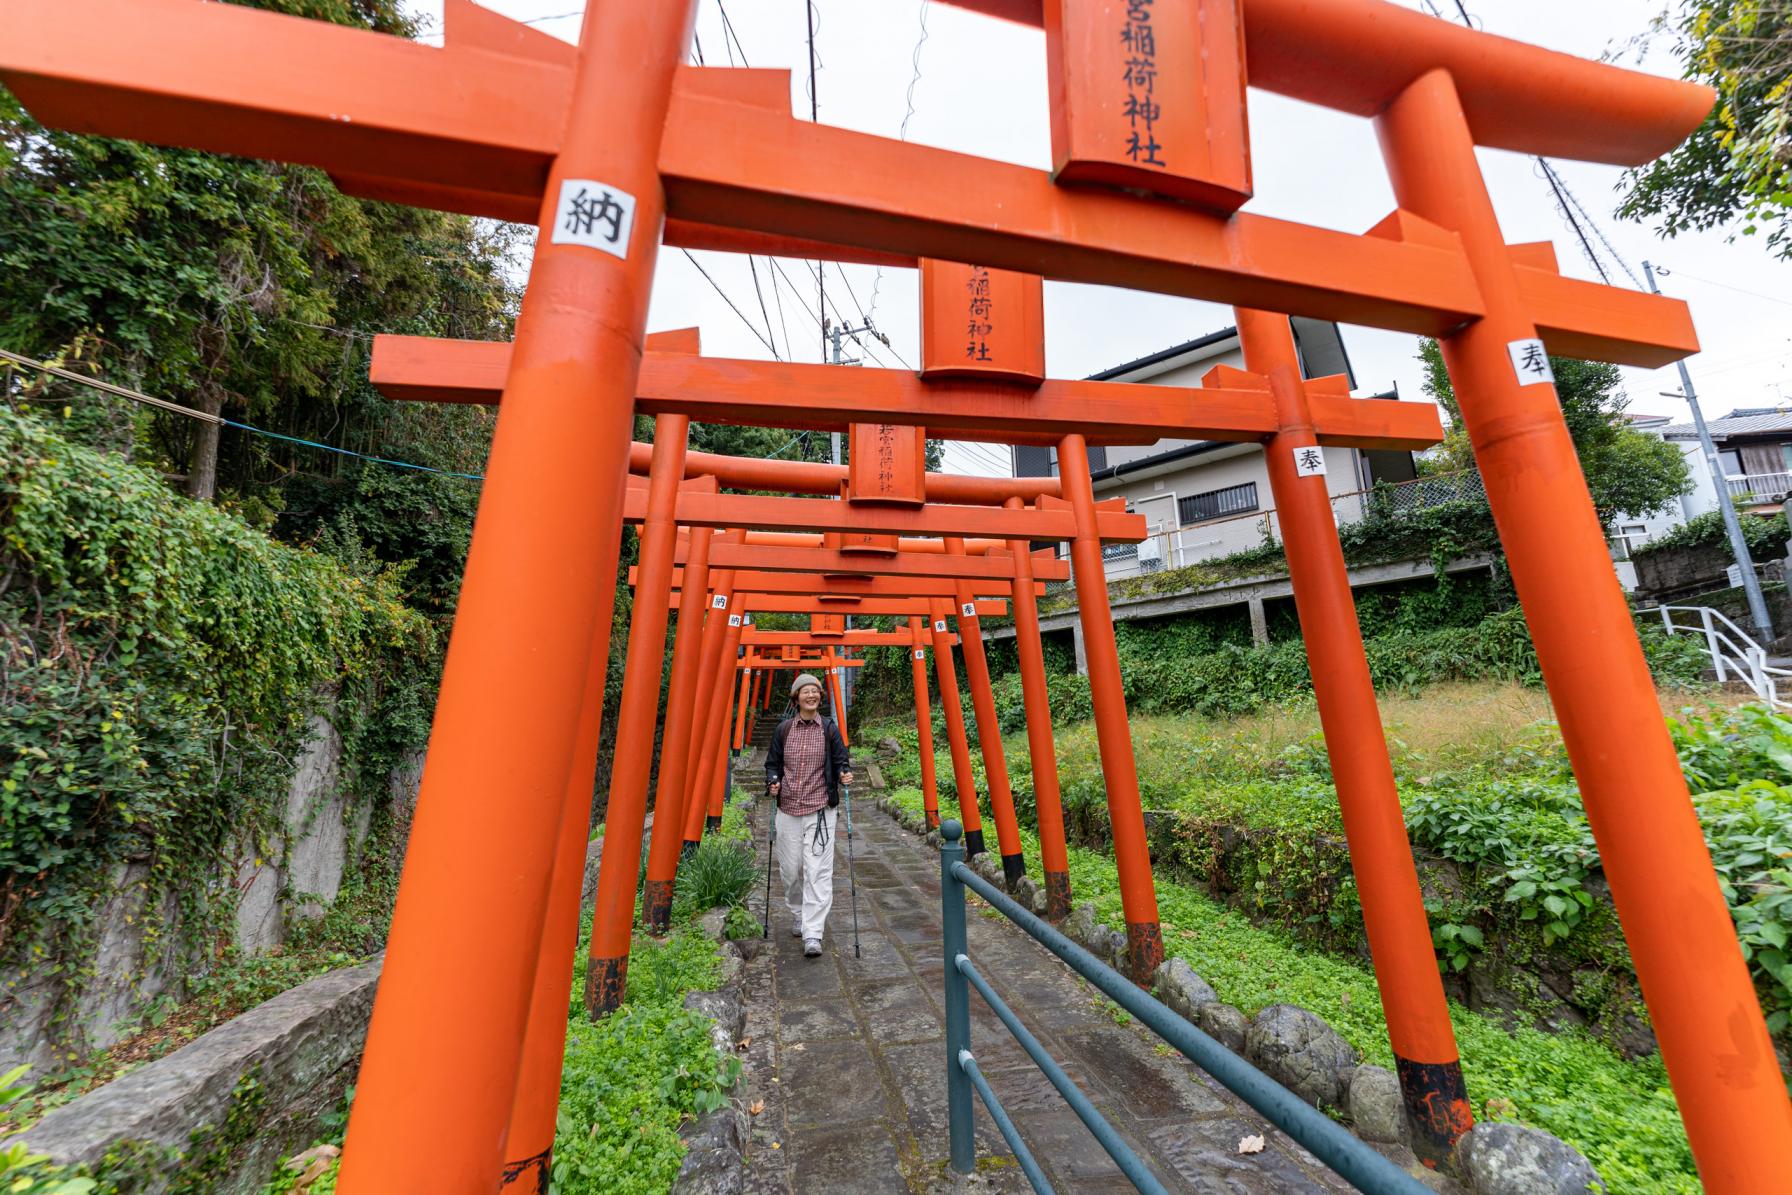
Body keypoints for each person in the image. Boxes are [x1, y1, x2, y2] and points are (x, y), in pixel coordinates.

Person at [765, 672, 854, 957]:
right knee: (791, 871)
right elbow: (772, 764)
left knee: (817, 872)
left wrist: (844, 773)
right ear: (796, 697)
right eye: (806, 691)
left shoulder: (828, 728)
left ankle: (813, 932)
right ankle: (798, 912)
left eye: (815, 691)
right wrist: (773, 780)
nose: (811, 695)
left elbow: (841, 760)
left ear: (820, 696)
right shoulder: (784, 730)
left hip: (820, 811)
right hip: (788, 808)